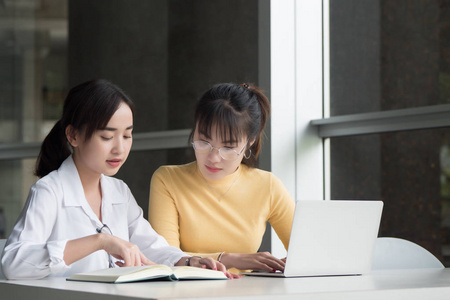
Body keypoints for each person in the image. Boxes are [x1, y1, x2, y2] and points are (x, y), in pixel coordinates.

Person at [1, 79, 231, 280]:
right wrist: (99, 241)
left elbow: (152, 246)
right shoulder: (49, 191)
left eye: (127, 135)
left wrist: (189, 262)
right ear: (73, 135)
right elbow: (13, 263)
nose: (119, 148)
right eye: (107, 136)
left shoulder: (118, 191)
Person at [149, 82, 295, 273]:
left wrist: (285, 266)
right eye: (203, 141)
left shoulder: (268, 186)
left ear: (250, 142)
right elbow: (165, 258)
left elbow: (308, 252)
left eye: (228, 147)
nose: (213, 158)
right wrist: (228, 259)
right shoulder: (167, 180)